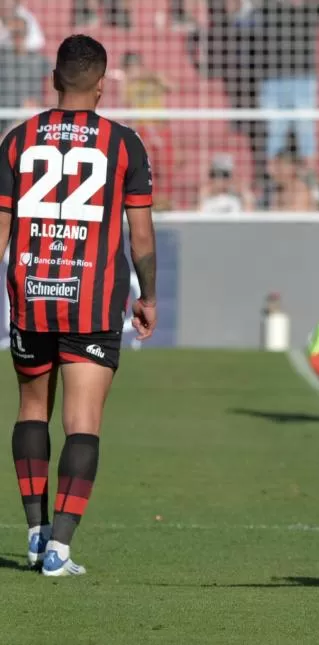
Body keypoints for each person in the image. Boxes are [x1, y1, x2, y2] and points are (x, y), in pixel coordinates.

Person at [0, 35, 157, 576]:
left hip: (31, 294)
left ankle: (35, 531)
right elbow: (141, 235)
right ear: (102, 83)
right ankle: (60, 548)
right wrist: (148, 295)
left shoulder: (18, 139)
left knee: (31, 410)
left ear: (54, 80)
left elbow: (0, 227)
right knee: (83, 421)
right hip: (91, 297)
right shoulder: (124, 143)